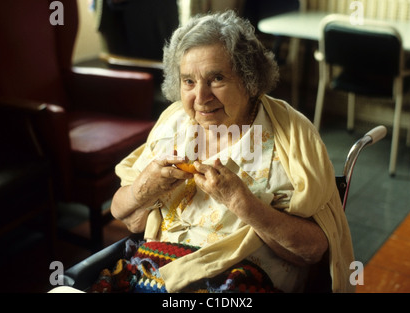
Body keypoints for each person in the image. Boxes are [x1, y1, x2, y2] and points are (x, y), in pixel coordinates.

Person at [110, 10, 355, 293]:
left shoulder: (291, 135)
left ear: (249, 80)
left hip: (241, 282)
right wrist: (146, 186)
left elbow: (311, 251)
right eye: (189, 81)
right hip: (160, 272)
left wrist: (241, 202)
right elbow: (124, 215)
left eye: (216, 79)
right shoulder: (174, 122)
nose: (200, 98)